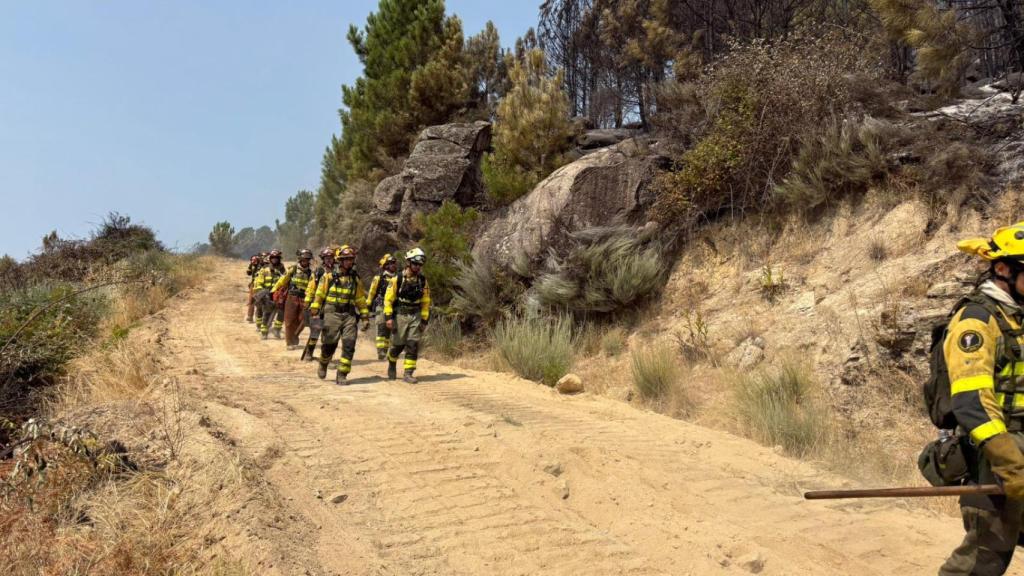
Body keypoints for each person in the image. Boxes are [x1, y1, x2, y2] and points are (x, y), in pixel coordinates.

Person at [940, 223, 1024, 576]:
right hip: (995, 455)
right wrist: (1011, 464)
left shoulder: (1017, 315)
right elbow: (972, 403)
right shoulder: (976, 320)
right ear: (1004, 269)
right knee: (982, 561)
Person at [309, 245, 369, 384]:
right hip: (331, 313)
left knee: (349, 345)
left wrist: (365, 317)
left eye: (351, 259)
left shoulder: (355, 279)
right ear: (340, 261)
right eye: (346, 259)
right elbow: (319, 294)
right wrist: (315, 310)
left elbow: (360, 299)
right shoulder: (328, 276)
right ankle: (323, 363)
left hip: (349, 315)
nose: (349, 262)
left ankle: (342, 374)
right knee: (329, 343)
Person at [383, 247, 431, 383]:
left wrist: (424, 320)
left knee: (413, 344)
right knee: (397, 345)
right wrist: (388, 317)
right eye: (415, 264)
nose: (417, 267)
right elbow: (388, 299)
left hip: (415, 315)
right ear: (408, 263)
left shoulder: (422, 281)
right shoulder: (397, 279)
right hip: (400, 316)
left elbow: (426, 301)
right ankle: (392, 362)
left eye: (420, 264)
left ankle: (408, 373)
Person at [273, 249, 315, 349]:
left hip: (304, 298)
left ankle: (295, 336)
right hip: (291, 297)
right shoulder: (293, 269)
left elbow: (312, 287)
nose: (306, 261)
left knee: (302, 319)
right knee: (289, 320)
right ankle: (289, 342)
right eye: (304, 259)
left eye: (307, 260)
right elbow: (282, 280)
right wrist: (274, 290)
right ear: (300, 259)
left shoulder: (311, 273)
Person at [301, 247, 335, 361]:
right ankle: (309, 353)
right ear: (323, 260)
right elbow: (311, 288)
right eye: (327, 258)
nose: (329, 260)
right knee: (316, 330)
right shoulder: (318, 272)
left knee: (330, 332)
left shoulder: (338, 272)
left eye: (331, 258)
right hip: (319, 305)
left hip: (333, 306)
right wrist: (308, 302)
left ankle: (325, 356)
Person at [367, 253, 398, 360]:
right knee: (381, 326)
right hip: (380, 306)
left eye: (394, 263)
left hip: (393, 307)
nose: (394, 265)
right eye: (390, 264)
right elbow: (372, 292)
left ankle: (384, 350)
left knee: (389, 330)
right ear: (385, 266)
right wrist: (368, 306)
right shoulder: (378, 278)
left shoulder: (399, 278)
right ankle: (380, 351)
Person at [254, 249, 286, 340]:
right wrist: (263, 294)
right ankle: (264, 332)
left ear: (279, 258)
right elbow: (259, 283)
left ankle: (277, 330)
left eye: (276, 258)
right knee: (267, 313)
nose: (275, 260)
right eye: (273, 258)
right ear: (270, 258)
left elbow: (285, 281)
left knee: (281, 312)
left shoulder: (283, 270)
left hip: (278, 295)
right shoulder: (264, 270)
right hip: (267, 294)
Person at [245, 254, 261, 323]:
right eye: (252, 260)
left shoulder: (263, 266)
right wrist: (251, 264)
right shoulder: (253, 265)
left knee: (259, 301)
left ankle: (259, 317)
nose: (254, 261)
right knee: (251, 300)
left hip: (260, 285)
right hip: (254, 284)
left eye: (255, 260)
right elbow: (248, 273)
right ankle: (250, 316)